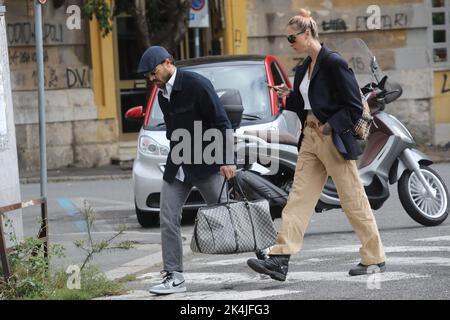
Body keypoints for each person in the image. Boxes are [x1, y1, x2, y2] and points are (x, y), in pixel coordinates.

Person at [246, 9, 386, 281]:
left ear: (306, 33)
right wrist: (289, 95)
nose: (290, 43)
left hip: (331, 138)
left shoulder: (332, 62)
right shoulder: (303, 68)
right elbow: (304, 104)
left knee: (352, 199)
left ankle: (374, 257)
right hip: (309, 139)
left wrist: (330, 124)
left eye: (291, 38)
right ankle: (280, 259)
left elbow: (355, 106)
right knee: (298, 199)